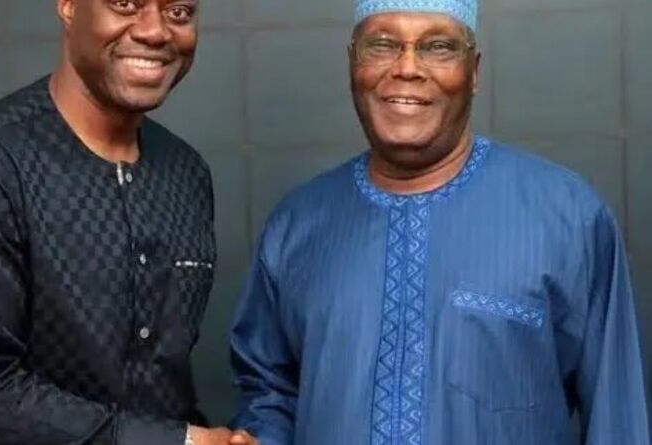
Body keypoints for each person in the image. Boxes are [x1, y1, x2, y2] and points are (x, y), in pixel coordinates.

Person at [229, 0, 650, 443]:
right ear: (353, 63)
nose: (407, 68)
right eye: (382, 45)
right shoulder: (297, 226)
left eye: (438, 47)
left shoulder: (568, 217)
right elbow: (269, 395)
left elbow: (617, 419)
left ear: (474, 72)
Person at [0, 1, 253, 444]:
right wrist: (179, 442)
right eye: (125, 3)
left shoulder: (186, 174)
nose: (155, 31)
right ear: (68, 6)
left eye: (178, 11)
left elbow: (159, 390)